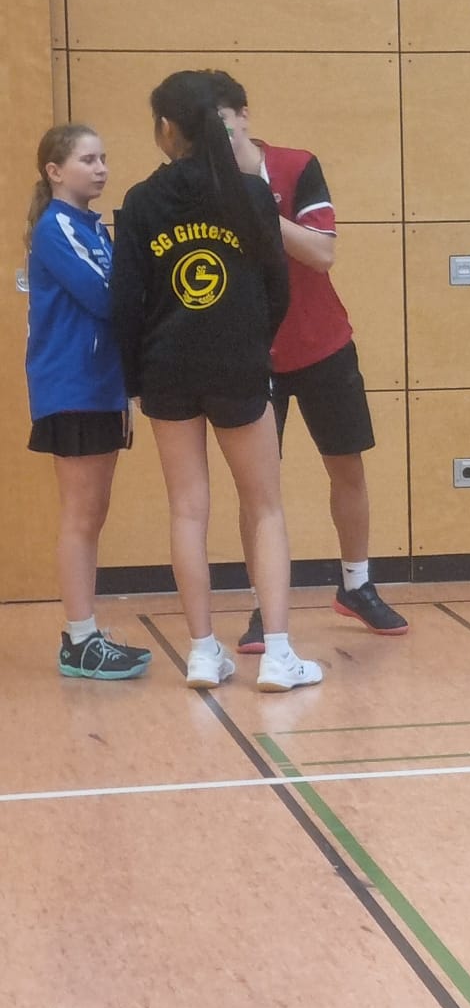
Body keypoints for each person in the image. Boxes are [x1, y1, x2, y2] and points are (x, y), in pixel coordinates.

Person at [111, 71, 322, 693]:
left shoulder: (141, 201)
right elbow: (277, 288)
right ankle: (278, 655)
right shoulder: (252, 195)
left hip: (166, 369)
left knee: (187, 509)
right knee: (265, 507)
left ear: (165, 130)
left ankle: (203, 652)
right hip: (237, 366)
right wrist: (252, 345)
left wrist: (134, 378)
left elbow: (125, 302)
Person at [212, 75, 408, 650]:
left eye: (224, 121)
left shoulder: (296, 167)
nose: (218, 134)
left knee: (347, 467)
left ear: (244, 116)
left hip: (323, 345)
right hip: (251, 354)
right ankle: (263, 605)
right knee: (257, 490)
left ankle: (357, 586)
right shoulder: (201, 187)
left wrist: (256, 207)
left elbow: (322, 253)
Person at [24, 124, 152, 682]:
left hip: (102, 387)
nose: (101, 169)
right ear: (55, 171)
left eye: (104, 158)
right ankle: (79, 640)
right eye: (88, 160)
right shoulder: (57, 227)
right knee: (80, 515)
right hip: (72, 386)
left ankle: (86, 633)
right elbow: (107, 297)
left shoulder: (93, 227)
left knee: (94, 513)